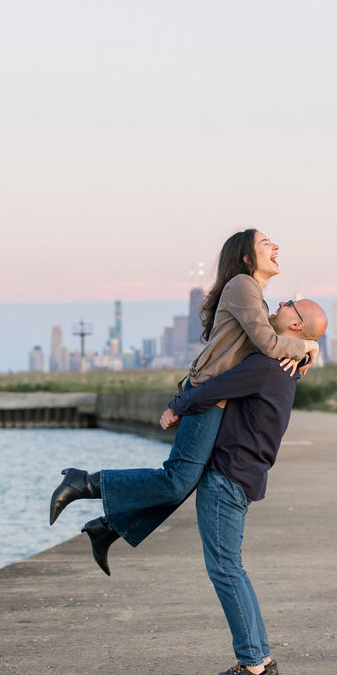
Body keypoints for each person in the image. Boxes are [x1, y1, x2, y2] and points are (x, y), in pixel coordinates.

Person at [50, 229, 320, 564]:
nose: (275, 246)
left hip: (215, 399)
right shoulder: (242, 285)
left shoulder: (257, 298)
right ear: (247, 258)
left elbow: (270, 344)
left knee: (188, 479)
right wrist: (309, 345)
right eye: (266, 243)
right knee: (177, 480)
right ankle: (86, 483)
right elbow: (269, 344)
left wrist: (307, 347)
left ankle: (109, 527)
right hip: (206, 396)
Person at [162, 298, 328, 675]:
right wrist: (307, 349)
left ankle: (252, 664)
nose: (282, 303)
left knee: (225, 569)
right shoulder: (283, 367)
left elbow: (214, 387)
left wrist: (176, 406)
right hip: (244, 474)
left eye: (290, 305)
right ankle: (262, 658)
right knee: (233, 567)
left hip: (228, 474)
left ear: (295, 324)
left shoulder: (266, 365)